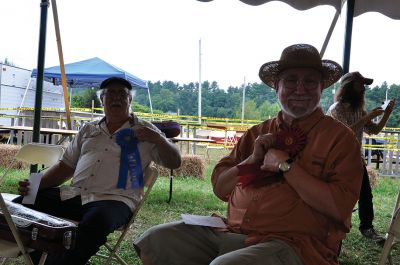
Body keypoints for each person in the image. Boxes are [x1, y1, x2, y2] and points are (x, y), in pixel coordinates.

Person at [133, 44, 363, 265]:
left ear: (321, 87)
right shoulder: (257, 133)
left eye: (310, 81)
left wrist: (287, 167)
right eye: (291, 80)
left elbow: (339, 207)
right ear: (277, 86)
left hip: (297, 245)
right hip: (234, 232)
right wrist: (252, 160)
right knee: (156, 240)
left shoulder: (340, 139)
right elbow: (220, 188)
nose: (300, 89)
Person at [15, 76, 182, 265]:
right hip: (75, 195)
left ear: (130, 100)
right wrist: (34, 185)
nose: (116, 98)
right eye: (110, 93)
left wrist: (160, 140)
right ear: (102, 100)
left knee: (97, 221)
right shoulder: (88, 129)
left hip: (114, 200)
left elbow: (175, 162)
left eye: (122, 94)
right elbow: (65, 167)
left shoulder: (146, 131)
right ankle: (39, 257)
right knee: (21, 204)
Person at [326, 71, 396, 243]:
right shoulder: (336, 109)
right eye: (360, 85)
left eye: (364, 85)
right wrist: (367, 117)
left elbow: (375, 130)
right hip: (337, 160)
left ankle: (367, 228)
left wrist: (386, 113)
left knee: (365, 194)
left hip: (355, 158)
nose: (363, 89)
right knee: (337, 195)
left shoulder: (359, 110)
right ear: (349, 86)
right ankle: (332, 227)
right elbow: (345, 133)